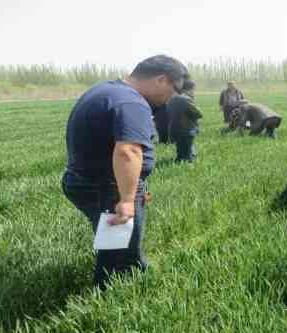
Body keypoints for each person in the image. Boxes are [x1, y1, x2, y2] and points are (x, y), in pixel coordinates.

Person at [62, 55, 193, 290]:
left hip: (89, 180)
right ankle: (110, 295)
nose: (171, 99)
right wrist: (126, 199)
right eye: (174, 91)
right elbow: (128, 152)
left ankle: (136, 272)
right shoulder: (132, 103)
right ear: (161, 80)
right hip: (108, 187)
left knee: (126, 243)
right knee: (116, 252)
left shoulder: (108, 90)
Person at [168, 83, 203, 163]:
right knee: (188, 156)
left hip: (174, 128)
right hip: (186, 129)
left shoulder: (171, 98)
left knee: (180, 152)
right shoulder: (186, 99)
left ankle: (180, 161)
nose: (194, 92)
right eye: (193, 90)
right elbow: (198, 113)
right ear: (190, 89)